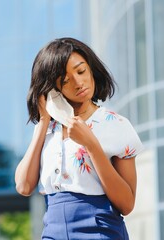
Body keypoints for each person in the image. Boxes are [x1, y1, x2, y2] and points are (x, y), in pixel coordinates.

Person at [14, 37, 144, 239]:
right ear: (53, 89)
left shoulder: (116, 124)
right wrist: (43, 123)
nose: (78, 82)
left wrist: (91, 144)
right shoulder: (48, 128)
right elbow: (23, 186)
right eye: (65, 81)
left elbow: (126, 204)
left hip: (100, 230)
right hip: (53, 231)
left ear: (91, 69)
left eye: (81, 71)